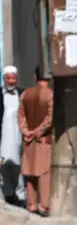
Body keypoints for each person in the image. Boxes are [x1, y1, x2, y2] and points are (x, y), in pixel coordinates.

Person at [19, 67, 53, 216]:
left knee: (29, 171)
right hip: (42, 139)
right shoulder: (50, 95)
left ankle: (31, 204)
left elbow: (20, 116)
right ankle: (44, 205)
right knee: (44, 172)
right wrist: (38, 132)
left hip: (28, 140)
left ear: (35, 77)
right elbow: (50, 118)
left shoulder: (25, 94)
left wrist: (26, 131)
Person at [0, 65, 25, 207]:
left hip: (17, 138)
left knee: (18, 166)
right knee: (2, 166)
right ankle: (8, 194)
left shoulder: (22, 95)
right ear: (3, 79)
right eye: (8, 78)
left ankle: (20, 195)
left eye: (13, 78)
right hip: (2, 140)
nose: (11, 81)